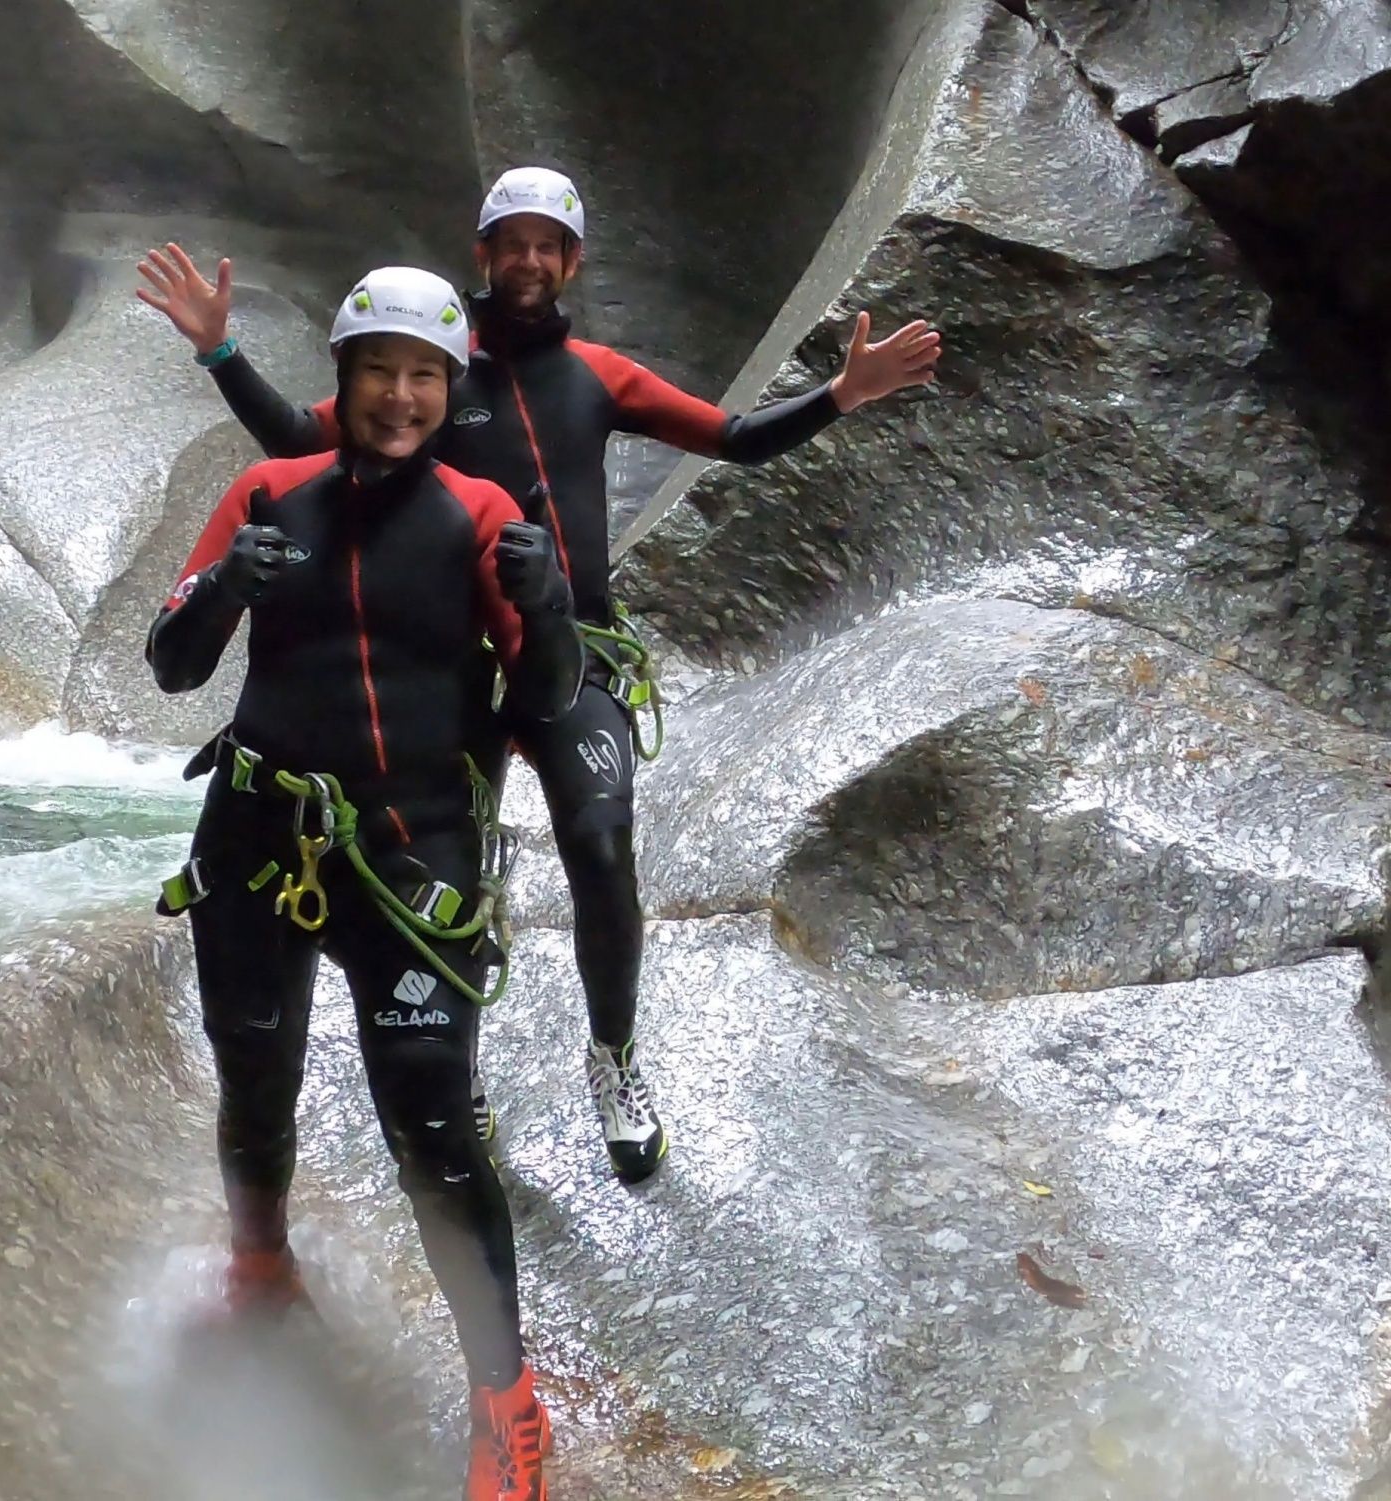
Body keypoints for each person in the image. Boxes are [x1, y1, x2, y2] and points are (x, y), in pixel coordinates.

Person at [138, 167, 942, 1183]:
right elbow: (303, 444)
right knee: (455, 862)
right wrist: (220, 353)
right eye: (509, 241)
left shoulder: (595, 374)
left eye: (546, 243)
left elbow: (730, 438)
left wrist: (841, 393)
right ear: (481, 253)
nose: (526, 259)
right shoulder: (427, 371)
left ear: (571, 261)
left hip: (571, 644)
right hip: (451, 656)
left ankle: (614, 1059)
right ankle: (456, 1069)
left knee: (600, 846)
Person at [148, 265, 582, 1501]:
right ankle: (259, 1272)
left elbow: (547, 699)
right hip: (257, 838)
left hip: (410, 855)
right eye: (378, 370)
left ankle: (507, 1404)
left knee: (433, 1127)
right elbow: (173, 664)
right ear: (339, 380)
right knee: (254, 1077)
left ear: (450, 389)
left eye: (423, 375)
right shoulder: (264, 494)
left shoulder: (480, 516)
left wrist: (546, 608)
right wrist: (226, 584)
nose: (399, 395)